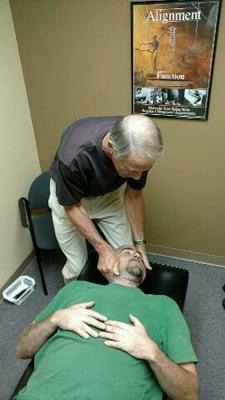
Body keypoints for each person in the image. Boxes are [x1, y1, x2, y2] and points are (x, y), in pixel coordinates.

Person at [13, 246, 199, 400]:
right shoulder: (75, 289)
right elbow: (22, 348)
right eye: (126, 251)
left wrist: (151, 352)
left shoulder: (164, 306)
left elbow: (189, 393)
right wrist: (55, 319)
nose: (136, 254)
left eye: (140, 257)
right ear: (109, 262)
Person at [48, 115, 163, 283]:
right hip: (70, 201)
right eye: (131, 170)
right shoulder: (73, 157)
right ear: (111, 148)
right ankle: (73, 303)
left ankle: (120, 302)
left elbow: (134, 194)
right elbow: (72, 207)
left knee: (127, 262)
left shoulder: (138, 146)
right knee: (77, 267)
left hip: (108, 196)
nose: (138, 177)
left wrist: (139, 244)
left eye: (144, 170)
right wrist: (102, 248)